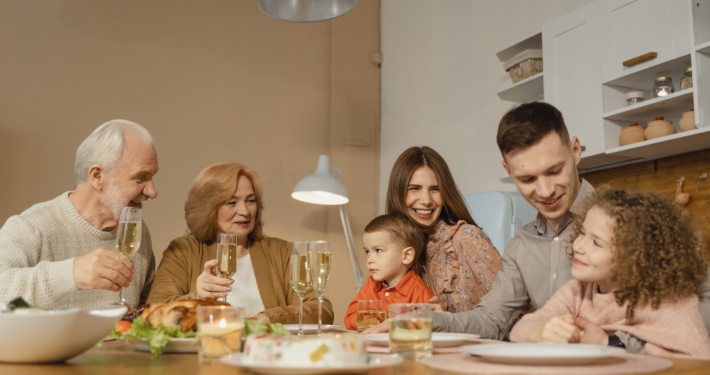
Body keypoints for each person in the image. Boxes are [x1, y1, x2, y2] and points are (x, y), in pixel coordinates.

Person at [429, 102, 710, 349]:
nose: (546, 190)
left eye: (554, 171)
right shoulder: (522, 246)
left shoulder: (627, 224)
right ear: (508, 171)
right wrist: (428, 321)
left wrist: (617, 343)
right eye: (527, 180)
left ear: (575, 151)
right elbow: (492, 320)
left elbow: (701, 302)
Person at [510, 188, 710, 360]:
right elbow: (519, 330)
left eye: (597, 243)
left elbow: (697, 361)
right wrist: (540, 332)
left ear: (635, 257)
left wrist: (610, 345)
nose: (577, 246)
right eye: (582, 233)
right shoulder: (577, 291)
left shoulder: (664, 300)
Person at [147, 162, 334, 324]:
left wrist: (266, 319)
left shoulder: (281, 251)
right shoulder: (182, 251)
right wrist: (198, 297)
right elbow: (154, 310)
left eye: (250, 201)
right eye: (231, 202)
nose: (245, 211)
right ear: (208, 208)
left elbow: (321, 309)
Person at [0, 119, 159, 310]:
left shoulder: (136, 232)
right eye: (141, 177)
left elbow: (147, 309)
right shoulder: (32, 227)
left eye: (152, 177)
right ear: (97, 176)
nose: (152, 191)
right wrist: (73, 273)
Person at [384, 146, 503, 313]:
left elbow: (515, 311)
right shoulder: (398, 250)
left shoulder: (467, 237)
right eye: (414, 189)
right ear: (398, 193)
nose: (426, 200)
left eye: (435, 189)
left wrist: (446, 319)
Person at [344, 214, 438, 330]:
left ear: (406, 256)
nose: (369, 260)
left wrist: (377, 321)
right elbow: (349, 318)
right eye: (367, 252)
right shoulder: (371, 285)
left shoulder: (419, 292)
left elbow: (426, 328)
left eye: (378, 250)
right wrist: (382, 321)